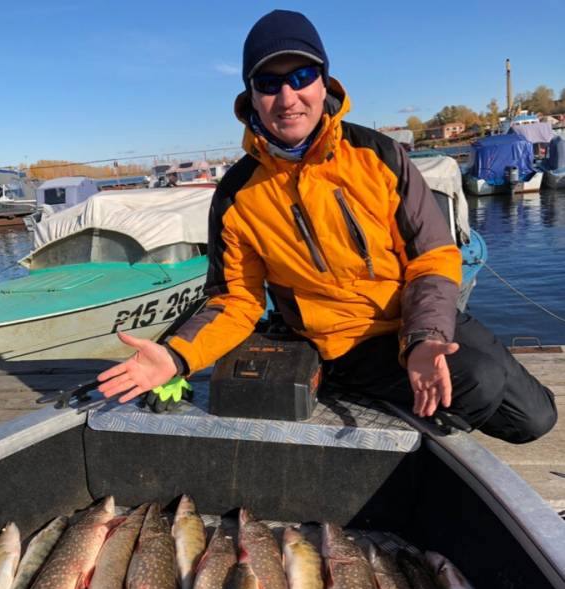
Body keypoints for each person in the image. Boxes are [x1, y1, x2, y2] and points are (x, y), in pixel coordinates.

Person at [98, 10, 556, 444]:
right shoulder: (237, 193)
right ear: (251, 96)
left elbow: (433, 256)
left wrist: (425, 340)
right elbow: (236, 301)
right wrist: (177, 355)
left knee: (534, 419)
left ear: (324, 82)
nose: (288, 97)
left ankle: (414, 387)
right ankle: (369, 406)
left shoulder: (379, 155)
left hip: (413, 319)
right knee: (479, 382)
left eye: (301, 77)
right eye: (268, 82)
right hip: (344, 346)